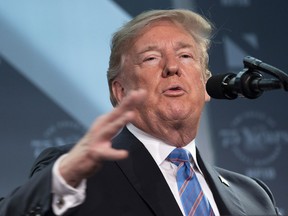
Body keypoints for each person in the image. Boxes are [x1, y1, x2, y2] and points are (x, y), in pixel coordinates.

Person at [0, 9, 280, 216]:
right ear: (121, 92)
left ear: (206, 85)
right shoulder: (76, 173)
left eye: (185, 56)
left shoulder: (254, 196)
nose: (172, 67)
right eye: (151, 58)